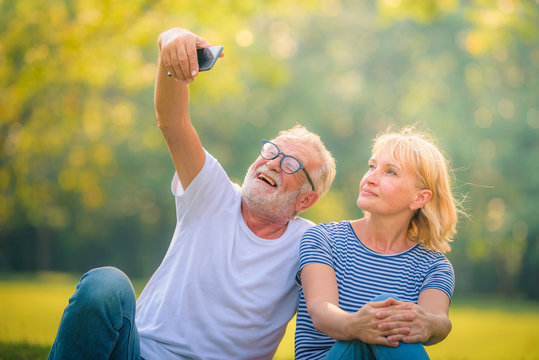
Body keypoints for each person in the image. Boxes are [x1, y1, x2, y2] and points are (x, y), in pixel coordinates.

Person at [48, 27, 336, 360]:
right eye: (271, 151)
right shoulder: (213, 193)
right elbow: (172, 121)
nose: (272, 163)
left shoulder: (309, 243)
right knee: (105, 285)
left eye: (291, 164)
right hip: (138, 353)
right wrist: (173, 39)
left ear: (306, 200)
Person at [294, 128, 459, 360]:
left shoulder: (434, 266)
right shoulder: (323, 238)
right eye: (372, 166)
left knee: (392, 317)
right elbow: (320, 310)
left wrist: (428, 324)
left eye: (390, 172)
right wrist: (357, 325)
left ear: (419, 198)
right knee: (387, 313)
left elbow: (440, 321)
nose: (370, 177)